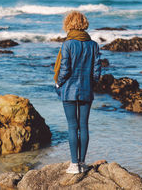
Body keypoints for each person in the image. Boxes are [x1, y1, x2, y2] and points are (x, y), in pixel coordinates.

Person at [54, 10, 101, 174]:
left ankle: (74, 165)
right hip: (86, 90)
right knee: (84, 126)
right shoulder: (93, 45)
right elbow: (96, 72)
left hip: (69, 90)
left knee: (72, 127)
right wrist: (90, 84)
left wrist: (58, 83)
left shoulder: (67, 44)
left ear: (69, 24)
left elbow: (65, 69)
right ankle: (82, 162)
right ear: (84, 23)